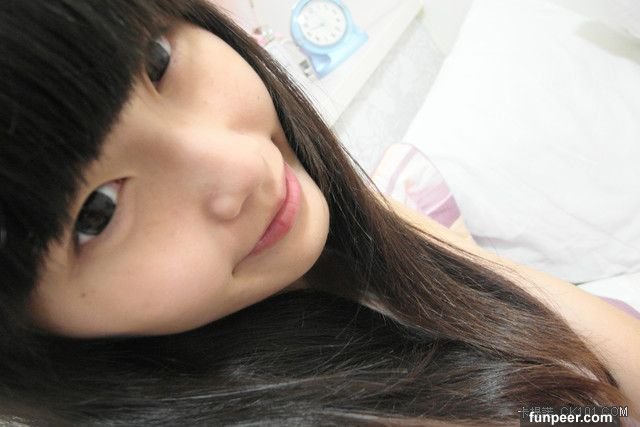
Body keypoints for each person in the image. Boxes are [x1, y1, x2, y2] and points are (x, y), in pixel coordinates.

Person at [0, 0, 638, 425]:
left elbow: (596, 386)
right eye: (99, 211)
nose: (243, 168)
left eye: (158, 63)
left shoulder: (335, 231)